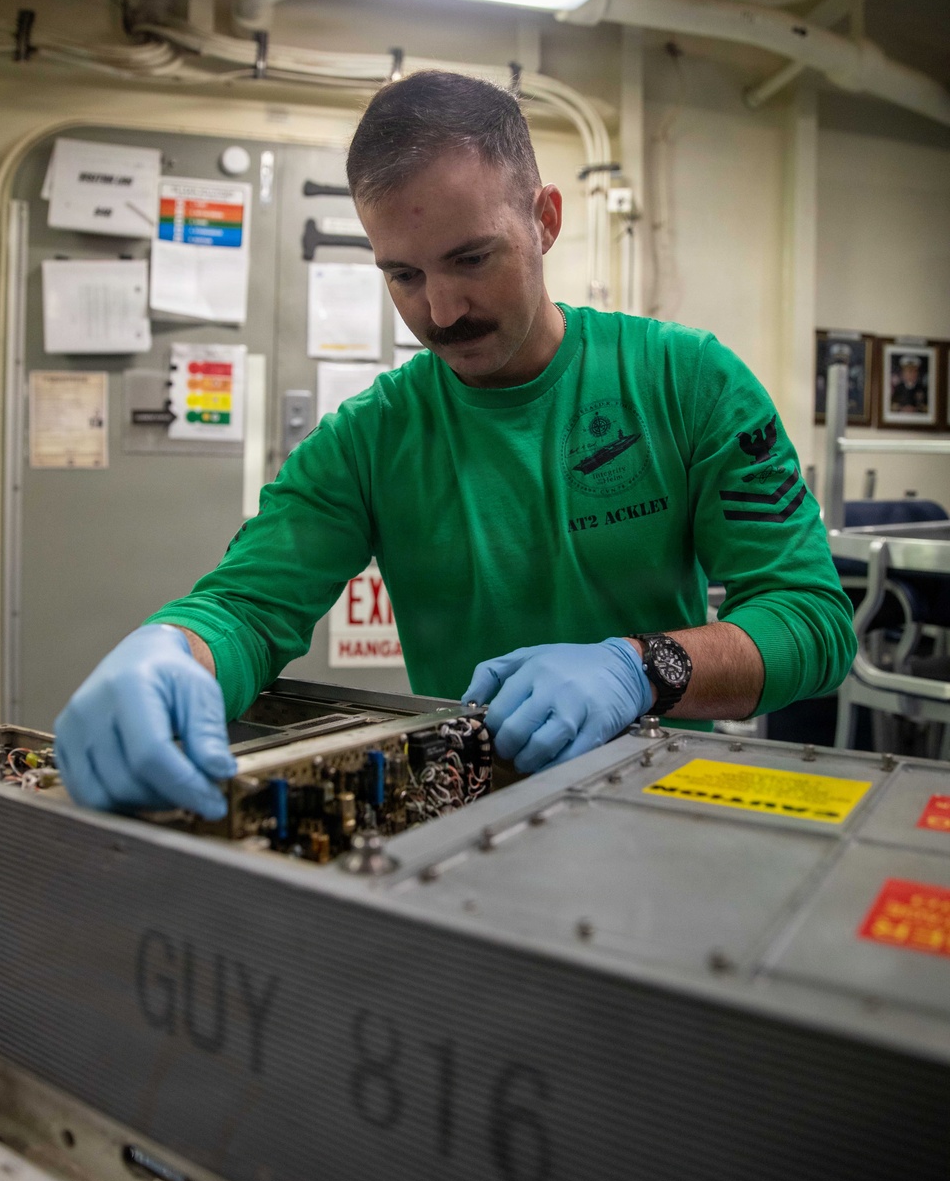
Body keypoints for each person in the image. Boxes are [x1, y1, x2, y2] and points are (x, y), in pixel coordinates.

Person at [55, 71, 855, 819]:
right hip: (465, 823)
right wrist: (172, 652)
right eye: (403, 275)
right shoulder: (369, 439)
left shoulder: (688, 382)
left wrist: (640, 667)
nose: (440, 312)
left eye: (470, 259)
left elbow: (811, 620)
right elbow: (244, 609)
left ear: (545, 220)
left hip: (663, 811)